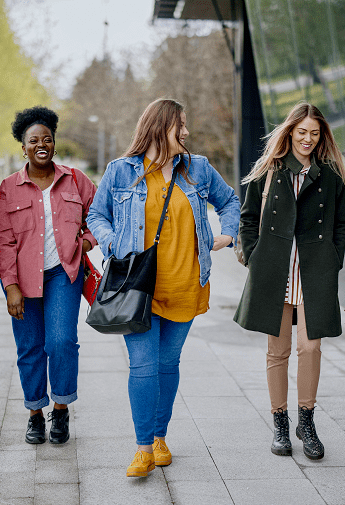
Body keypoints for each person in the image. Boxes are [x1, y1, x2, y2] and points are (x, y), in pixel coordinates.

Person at [87, 98, 240, 477]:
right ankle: (142, 448)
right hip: (138, 287)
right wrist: (112, 245)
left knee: (168, 364)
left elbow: (230, 201)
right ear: (159, 127)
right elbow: (96, 214)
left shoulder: (198, 169)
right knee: (143, 366)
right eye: (180, 125)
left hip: (187, 283)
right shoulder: (121, 171)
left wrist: (227, 235)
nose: (186, 132)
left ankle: (159, 436)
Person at [234, 102, 345, 460]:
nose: (308, 139)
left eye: (314, 134)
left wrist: (332, 261)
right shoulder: (269, 171)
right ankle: (280, 424)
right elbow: (248, 219)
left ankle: (307, 421)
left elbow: (340, 226)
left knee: (311, 348)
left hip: (314, 271)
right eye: (302, 132)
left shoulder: (330, 176)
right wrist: (255, 256)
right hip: (276, 271)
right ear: (289, 132)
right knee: (278, 351)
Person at [0, 106, 97, 446]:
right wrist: (10, 286)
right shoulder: (8, 188)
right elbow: (3, 241)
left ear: (54, 143)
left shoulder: (75, 179)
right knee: (30, 347)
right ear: (23, 147)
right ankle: (35, 413)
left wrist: (87, 242)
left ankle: (61, 408)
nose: (41, 144)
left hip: (64, 274)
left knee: (61, 341)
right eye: (33, 140)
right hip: (23, 280)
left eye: (47, 139)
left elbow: (99, 216)